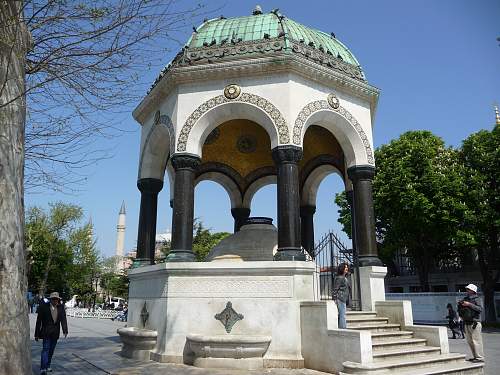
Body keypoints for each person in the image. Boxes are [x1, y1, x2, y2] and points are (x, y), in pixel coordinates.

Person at [35, 292, 68, 374]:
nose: (55, 300)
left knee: (51, 350)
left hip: (55, 333)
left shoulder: (61, 308)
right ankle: (43, 368)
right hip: (46, 333)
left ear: (58, 300)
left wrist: (65, 330)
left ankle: (48, 365)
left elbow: (63, 319)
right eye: (53, 299)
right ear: (50, 299)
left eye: (56, 299)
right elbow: (38, 321)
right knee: (45, 350)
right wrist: (36, 334)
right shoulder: (43, 307)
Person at [457, 284, 484, 363]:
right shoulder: (465, 299)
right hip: (466, 322)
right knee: (470, 341)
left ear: (473, 290)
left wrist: (469, 304)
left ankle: (480, 358)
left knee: (476, 341)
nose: (467, 290)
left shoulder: (477, 298)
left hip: (475, 323)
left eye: (468, 289)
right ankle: (475, 356)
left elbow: (480, 309)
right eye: (467, 289)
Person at [332, 262, 351, 329]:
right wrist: (334, 299)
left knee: (342, 315)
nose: (347, 268)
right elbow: (335, 288)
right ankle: (343, 329)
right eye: (345, 267)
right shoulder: (340, 278)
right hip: (340, 298)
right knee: (342, 315)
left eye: (347, 267)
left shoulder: (345, 277)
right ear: (341, 268)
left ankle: (342, 328)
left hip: (343, 298)